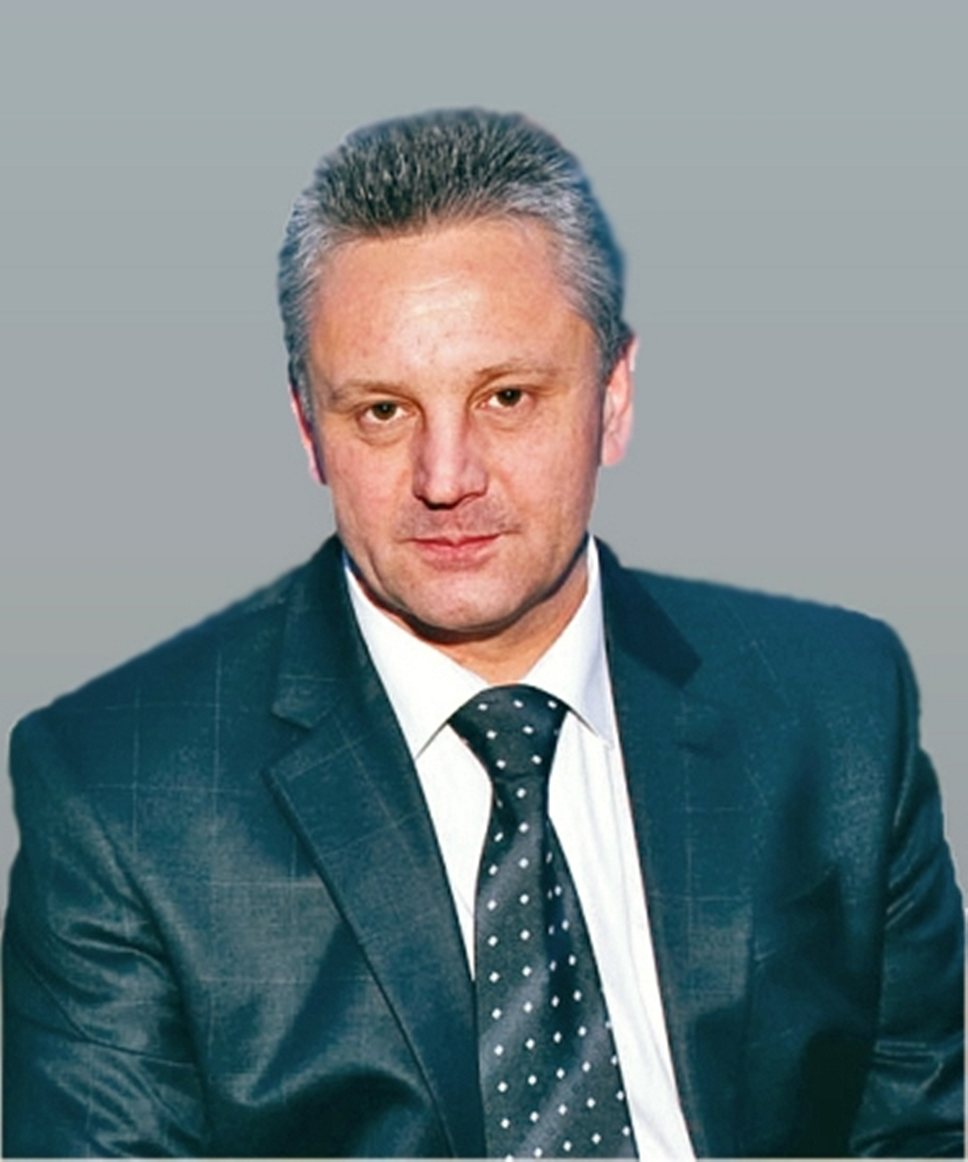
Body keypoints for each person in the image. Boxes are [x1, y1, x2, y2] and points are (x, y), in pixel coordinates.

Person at [3, 108, 963, 1159]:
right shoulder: (122, 794)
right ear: (308, 428)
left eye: (506, 396)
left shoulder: (835, 710)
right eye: (382, 411)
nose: (446, 476)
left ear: (613, 398)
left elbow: (925, 1128)